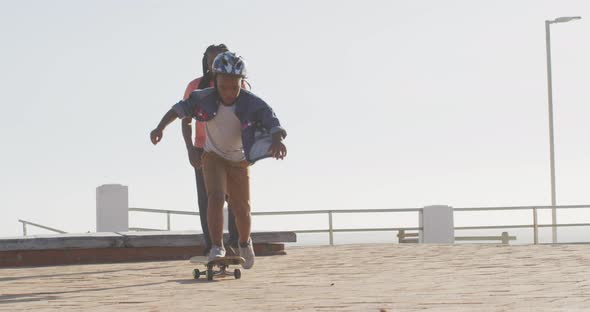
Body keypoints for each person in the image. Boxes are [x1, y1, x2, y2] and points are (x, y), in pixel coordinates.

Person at [150, 51, 287, 269]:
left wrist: (278, 140)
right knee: (215, 196)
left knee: (242, 208)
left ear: (242, 83)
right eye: (223, 87)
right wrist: (160, 127)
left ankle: (244, 242)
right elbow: (178, 111)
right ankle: (216, 246)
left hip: (239, 160)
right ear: (216, 82)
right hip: (212, 156)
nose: (229, 92)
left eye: (235, 87)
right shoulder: (202, 97)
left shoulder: (252, 103)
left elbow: (271, 120)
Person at [182, 44, 239, 256]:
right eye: (210, 60)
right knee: (208, 200)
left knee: (236, 200)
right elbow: (184, 119)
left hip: (233, 151)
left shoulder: (238, 85)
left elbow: (249, 118)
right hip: (204, 151)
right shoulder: (196, 87)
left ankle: (236, 242)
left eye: (219, 59)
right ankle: (213, 244)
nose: (214, 64)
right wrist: (190, 150)